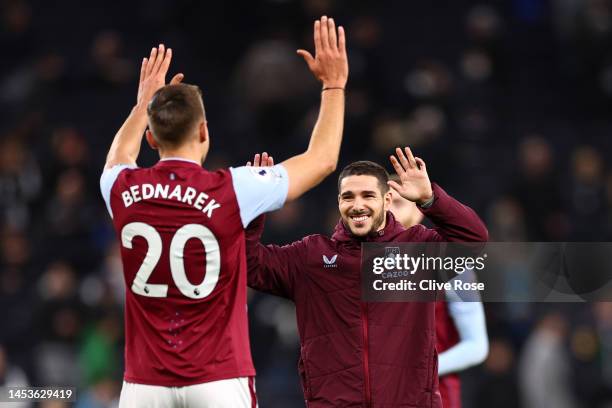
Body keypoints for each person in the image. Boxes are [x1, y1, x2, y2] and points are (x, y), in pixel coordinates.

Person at [99, 15, 348, 408]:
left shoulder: (120, 187)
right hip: (217, 379)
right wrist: (334, 85)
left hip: (143, 385)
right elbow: (322, 160)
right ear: (203, 132)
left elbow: (118, 157)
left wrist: (142, 103)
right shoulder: (234, 189)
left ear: (150, 136)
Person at [245, 149, 488, 407]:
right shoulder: (311, 257)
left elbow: (473, 241)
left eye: (368, 195)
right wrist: (255, 209)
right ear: (339, 202)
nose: (357, 205)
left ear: (386, 200)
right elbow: (250, 265)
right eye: (348, 197)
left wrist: (430, 199)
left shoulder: (419, 250)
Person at [388, 176, 489, 408]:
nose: (389, 212)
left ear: (420, 210)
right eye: (386, 203)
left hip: (435, 396)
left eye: (399, 203)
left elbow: (477, 346)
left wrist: (416, 370)